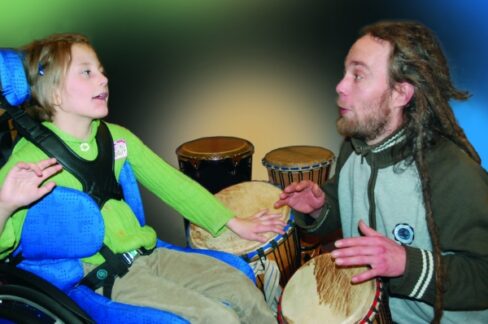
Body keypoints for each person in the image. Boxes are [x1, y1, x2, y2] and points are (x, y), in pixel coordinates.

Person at [0, 33, 285, 323]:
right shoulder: (27, 161)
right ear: (55, 93)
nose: (103, 80)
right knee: (218, 318)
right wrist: (5, 205)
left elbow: (173, 184)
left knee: (242, 290)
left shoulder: (116, 138)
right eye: (87, 72)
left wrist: (234, 222)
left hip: (148, 254)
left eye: (101, 71)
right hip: (104, 276)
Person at [275, 20, 488, 323]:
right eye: (345, 72)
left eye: (358, 75)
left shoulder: (454, 175)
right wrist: (321, 207)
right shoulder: (355, 146)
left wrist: (405, 263)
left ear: (401, 93)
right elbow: (349, 207)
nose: (340, 86)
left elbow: (483, 276)